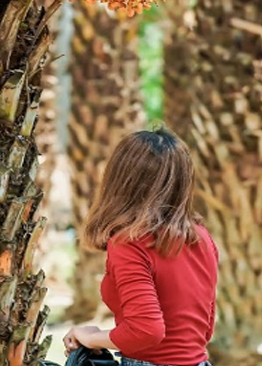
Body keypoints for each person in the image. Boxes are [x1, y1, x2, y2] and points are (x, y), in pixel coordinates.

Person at [63, 128, 219, 366]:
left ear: (120, 180)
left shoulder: (130, 243)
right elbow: (202, 331)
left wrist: (92, 338)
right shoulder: (201, 238)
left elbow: (147, 330)